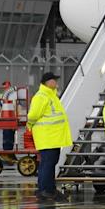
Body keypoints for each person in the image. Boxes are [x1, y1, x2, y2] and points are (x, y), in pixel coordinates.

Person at [27, 73, 71, 201]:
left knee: (49, 164)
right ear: (47, 82)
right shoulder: (41, 96)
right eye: (54, 80)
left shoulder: (51, 95)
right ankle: (46, 190)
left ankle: (48, 189)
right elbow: (32, 115)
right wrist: (30, 125)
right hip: (47, 137)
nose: (56, 82)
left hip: (52, 137)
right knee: (48, 164)